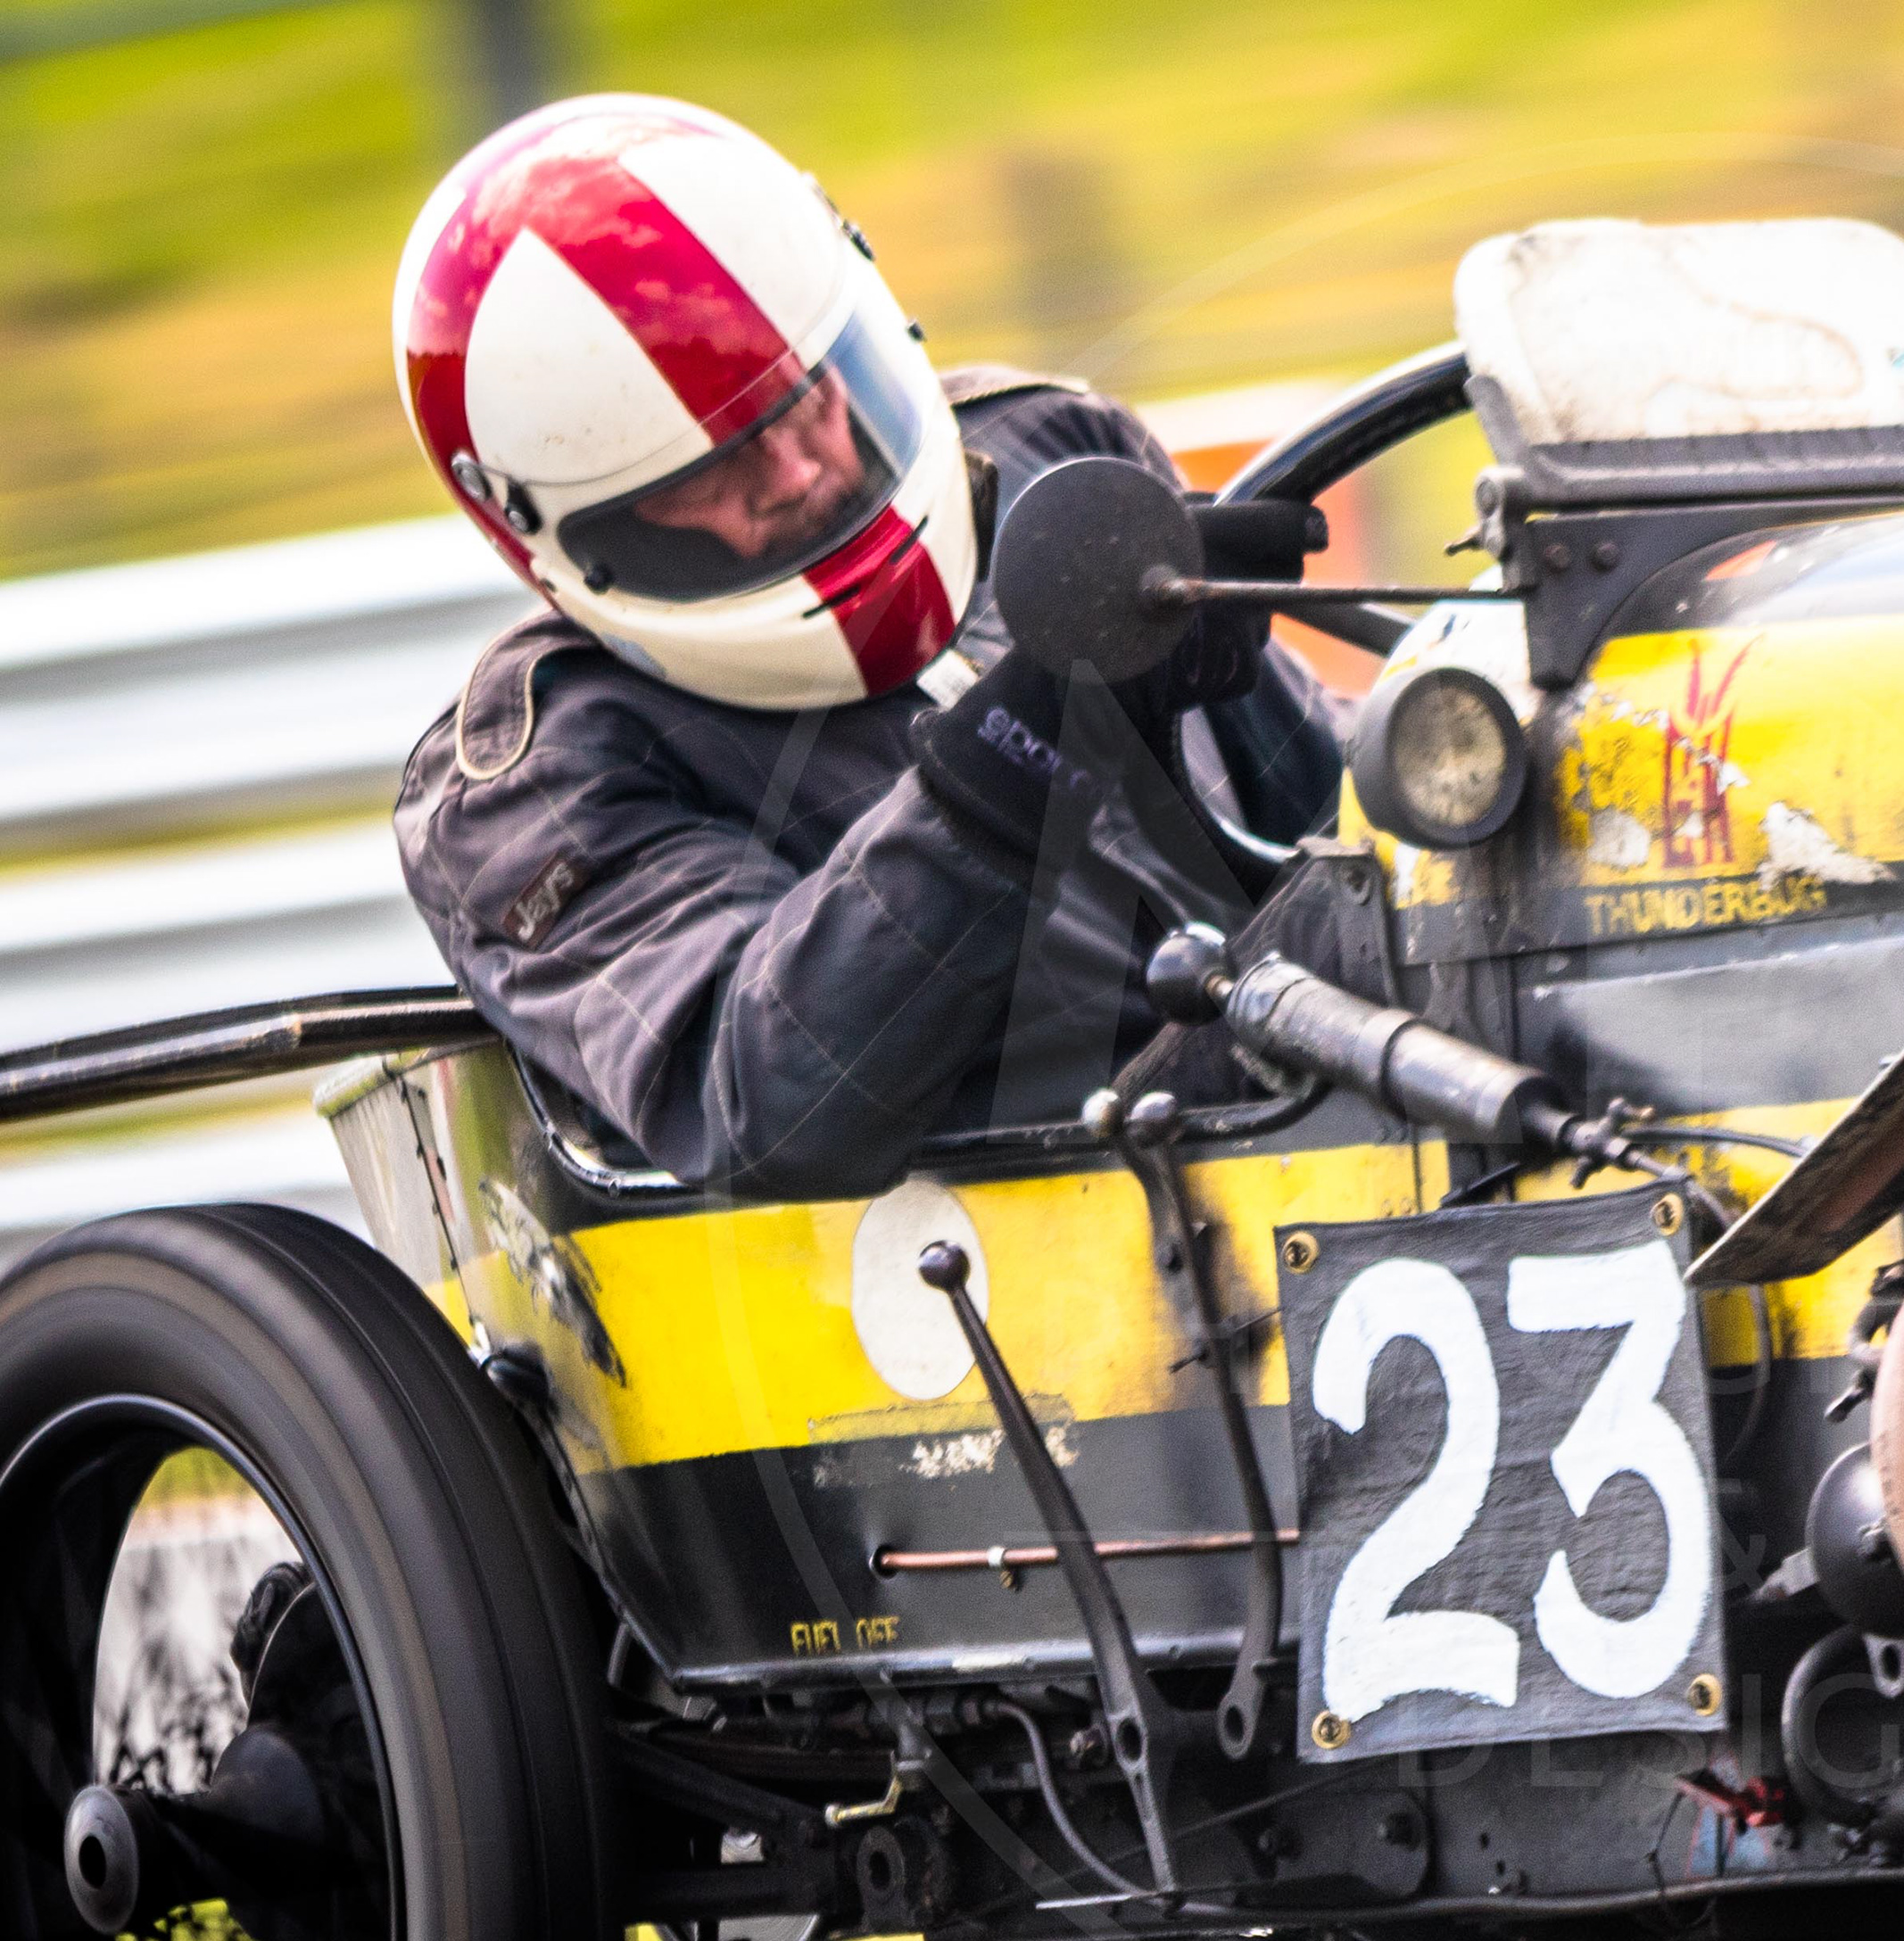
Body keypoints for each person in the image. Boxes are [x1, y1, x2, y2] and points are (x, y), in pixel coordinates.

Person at [391, 94, 1343, 1196]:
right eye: (713, 471)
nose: (801, 470)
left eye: (807, 398)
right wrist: (1026, 743)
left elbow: (1333, 829)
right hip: (998, 1299)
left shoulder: (1050, 454)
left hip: (1342, 1117)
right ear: (571, 532)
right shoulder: (534, 784)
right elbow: (764, 1101)